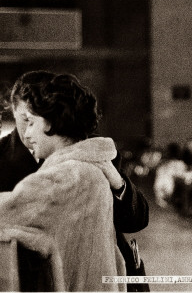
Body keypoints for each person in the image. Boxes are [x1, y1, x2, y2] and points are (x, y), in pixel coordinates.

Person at [0, 72, 148, 291]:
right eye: (24, 121)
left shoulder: (90, 150)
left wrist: (117, 182)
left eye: (31, 121)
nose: (28, 132)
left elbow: (137, 219)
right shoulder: (2, 158)